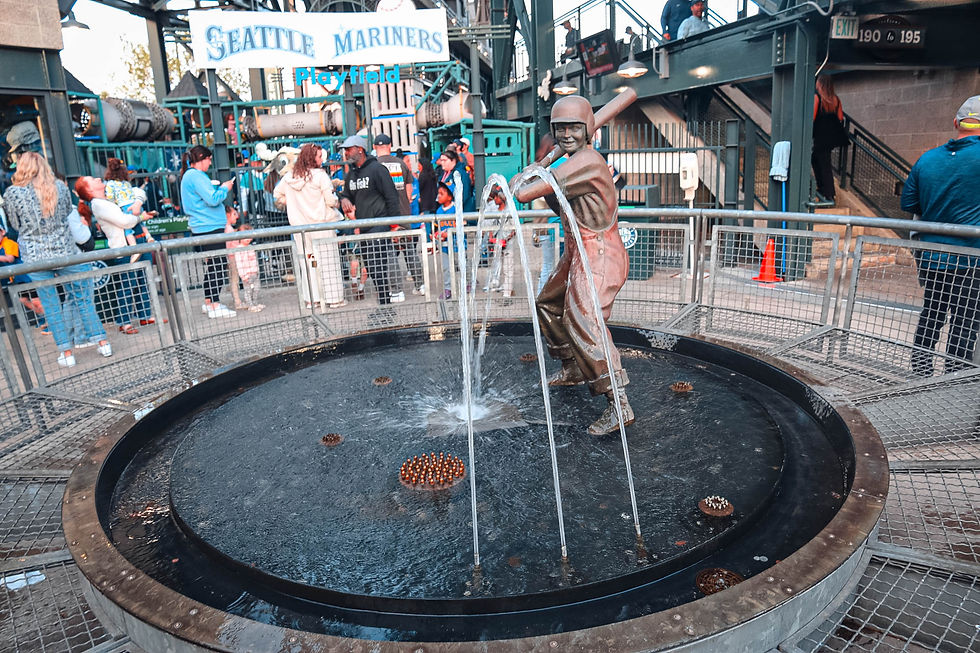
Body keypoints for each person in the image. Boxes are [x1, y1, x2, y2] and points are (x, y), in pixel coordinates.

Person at [513, 95, 634, 436]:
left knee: (583, 319)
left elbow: (523, 194)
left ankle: (619, 403)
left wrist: (532, 174)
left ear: (587, 130)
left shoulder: (588, 161)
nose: (566, 135)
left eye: (574, 128)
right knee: (548, 303)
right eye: (560, 128)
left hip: (600, 254)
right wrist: (539, 173)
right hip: (578, 251)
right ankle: (573, 368)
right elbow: (557, 203)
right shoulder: (571, 164)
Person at [3, 152, 111, 367]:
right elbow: (65, 216)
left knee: (51, 304)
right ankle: (103, 343)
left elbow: (14, 225)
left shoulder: (12, 193)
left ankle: (67, 354)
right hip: (64, 250)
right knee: (82, 299)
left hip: (35, 255)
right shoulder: (60, 188)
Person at [901, 95, 980, 376]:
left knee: (932, 312)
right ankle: (954, 375)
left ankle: (921, 370)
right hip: (971, 259)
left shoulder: (927, 159)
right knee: (965, 319)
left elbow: (909, 203)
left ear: (956, 123)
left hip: (932, 256)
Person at [337, 134, 402, 325]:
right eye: (345, 150)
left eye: (349, 149)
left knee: (379, 268)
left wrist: (394, 225)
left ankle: (386, 307)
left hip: (379, 225)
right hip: (364, 227)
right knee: (373, 270)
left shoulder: (377, 169)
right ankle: (384, 306)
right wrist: (344, 199)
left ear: (360, 149)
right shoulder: (351, 175)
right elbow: (346, 194)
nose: (346, 153)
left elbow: (391, 196)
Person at [273, 143, 346, 310]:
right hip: (322, 225)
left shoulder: (290, 176)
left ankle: (312, 299)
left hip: (300, 228)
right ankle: (333, 298)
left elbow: (277, 195)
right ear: (312, 158)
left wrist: (293, 203)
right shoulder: (320, 176)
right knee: (328, 262)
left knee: (309, 262)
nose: (322, 160)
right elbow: (330, 201)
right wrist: (337, 201)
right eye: (319, 157)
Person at [179, 145, 237, 318]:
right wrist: (225, 188)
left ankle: (210, 302)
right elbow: (212, 199)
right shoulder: (196, 176)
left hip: (204, 226)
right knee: (218, 265)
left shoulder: (190, 176)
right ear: (201, 158)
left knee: (213, 265)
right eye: (209, 159)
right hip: (209, 226)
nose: (210, 163)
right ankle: (214, 304)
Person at [374, 133, 421, 300]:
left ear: (374, 147)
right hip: (403, 212)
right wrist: (406, 202)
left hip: (385, 214)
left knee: (389, 252)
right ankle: (420, 284)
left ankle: (396, 290)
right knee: (409, 250)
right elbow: (409, 188)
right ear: (390, 146)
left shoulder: (375, 165)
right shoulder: (400, 163)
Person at [0, 225, 46, 327]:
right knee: (23, 299)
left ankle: (49, 321)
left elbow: (10, 259)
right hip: (18, 278)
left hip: (26, 276)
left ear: (2, 232)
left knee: (36, 300)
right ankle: (43, 316)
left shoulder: (8, 243)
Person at [811, 74, 846, 204]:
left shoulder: (817, 98)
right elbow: (840, 118)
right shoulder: (836, 99)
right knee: (822, 160)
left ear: (820, 84)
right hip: (830, 136)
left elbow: (812, 117)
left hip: (820, 135)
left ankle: (828, 193)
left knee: (821, 162)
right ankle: (825, 191)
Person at [433, 181, 463, 300]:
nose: (439, 196)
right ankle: (448, 288)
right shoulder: (439, 211)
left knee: (462, 264)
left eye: (442, 194)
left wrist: (449, 233)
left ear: (450, 197)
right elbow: (437, 227)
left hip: (457, 245)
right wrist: (435, 235)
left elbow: (462, 225)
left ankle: (468, 282)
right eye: (438, 193)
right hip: (444, 246)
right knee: (446, 267)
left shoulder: (456, 208)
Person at [485, 187, 516, 298]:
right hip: (496, 243)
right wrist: (491, 238)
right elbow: (491, 226)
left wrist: (506, 239)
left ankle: (507, 292)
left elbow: (514, 229)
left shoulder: (509, 211)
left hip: (507, 243)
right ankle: (500, 285)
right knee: (498, 265)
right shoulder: (494, 211)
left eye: (497, 197)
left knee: (508, 267)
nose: (495, 199)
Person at [227, 223, 264, 312]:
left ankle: (255, 303)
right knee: (248, 290)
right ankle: (250, 305)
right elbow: (239, 264)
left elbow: (254, 259)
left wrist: (257, 270)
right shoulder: (238, 249)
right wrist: (243, 276)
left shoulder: (251, 247)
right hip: (246, 275)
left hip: (254, 272)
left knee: (256, 289)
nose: (248, 239)